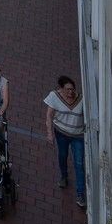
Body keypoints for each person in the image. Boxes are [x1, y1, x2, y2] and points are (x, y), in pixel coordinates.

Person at [45, 75, 87, 208]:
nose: (70, 93)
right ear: (61, 89)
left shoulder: (81, 100)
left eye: (72, 90)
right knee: (62, 155)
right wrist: (50, 134)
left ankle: (80, 195)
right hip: (61, 133)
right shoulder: (54, 96)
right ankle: (64, 176)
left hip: (78, 136)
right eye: (67, 90)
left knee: (79, 163)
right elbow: (49, 115)